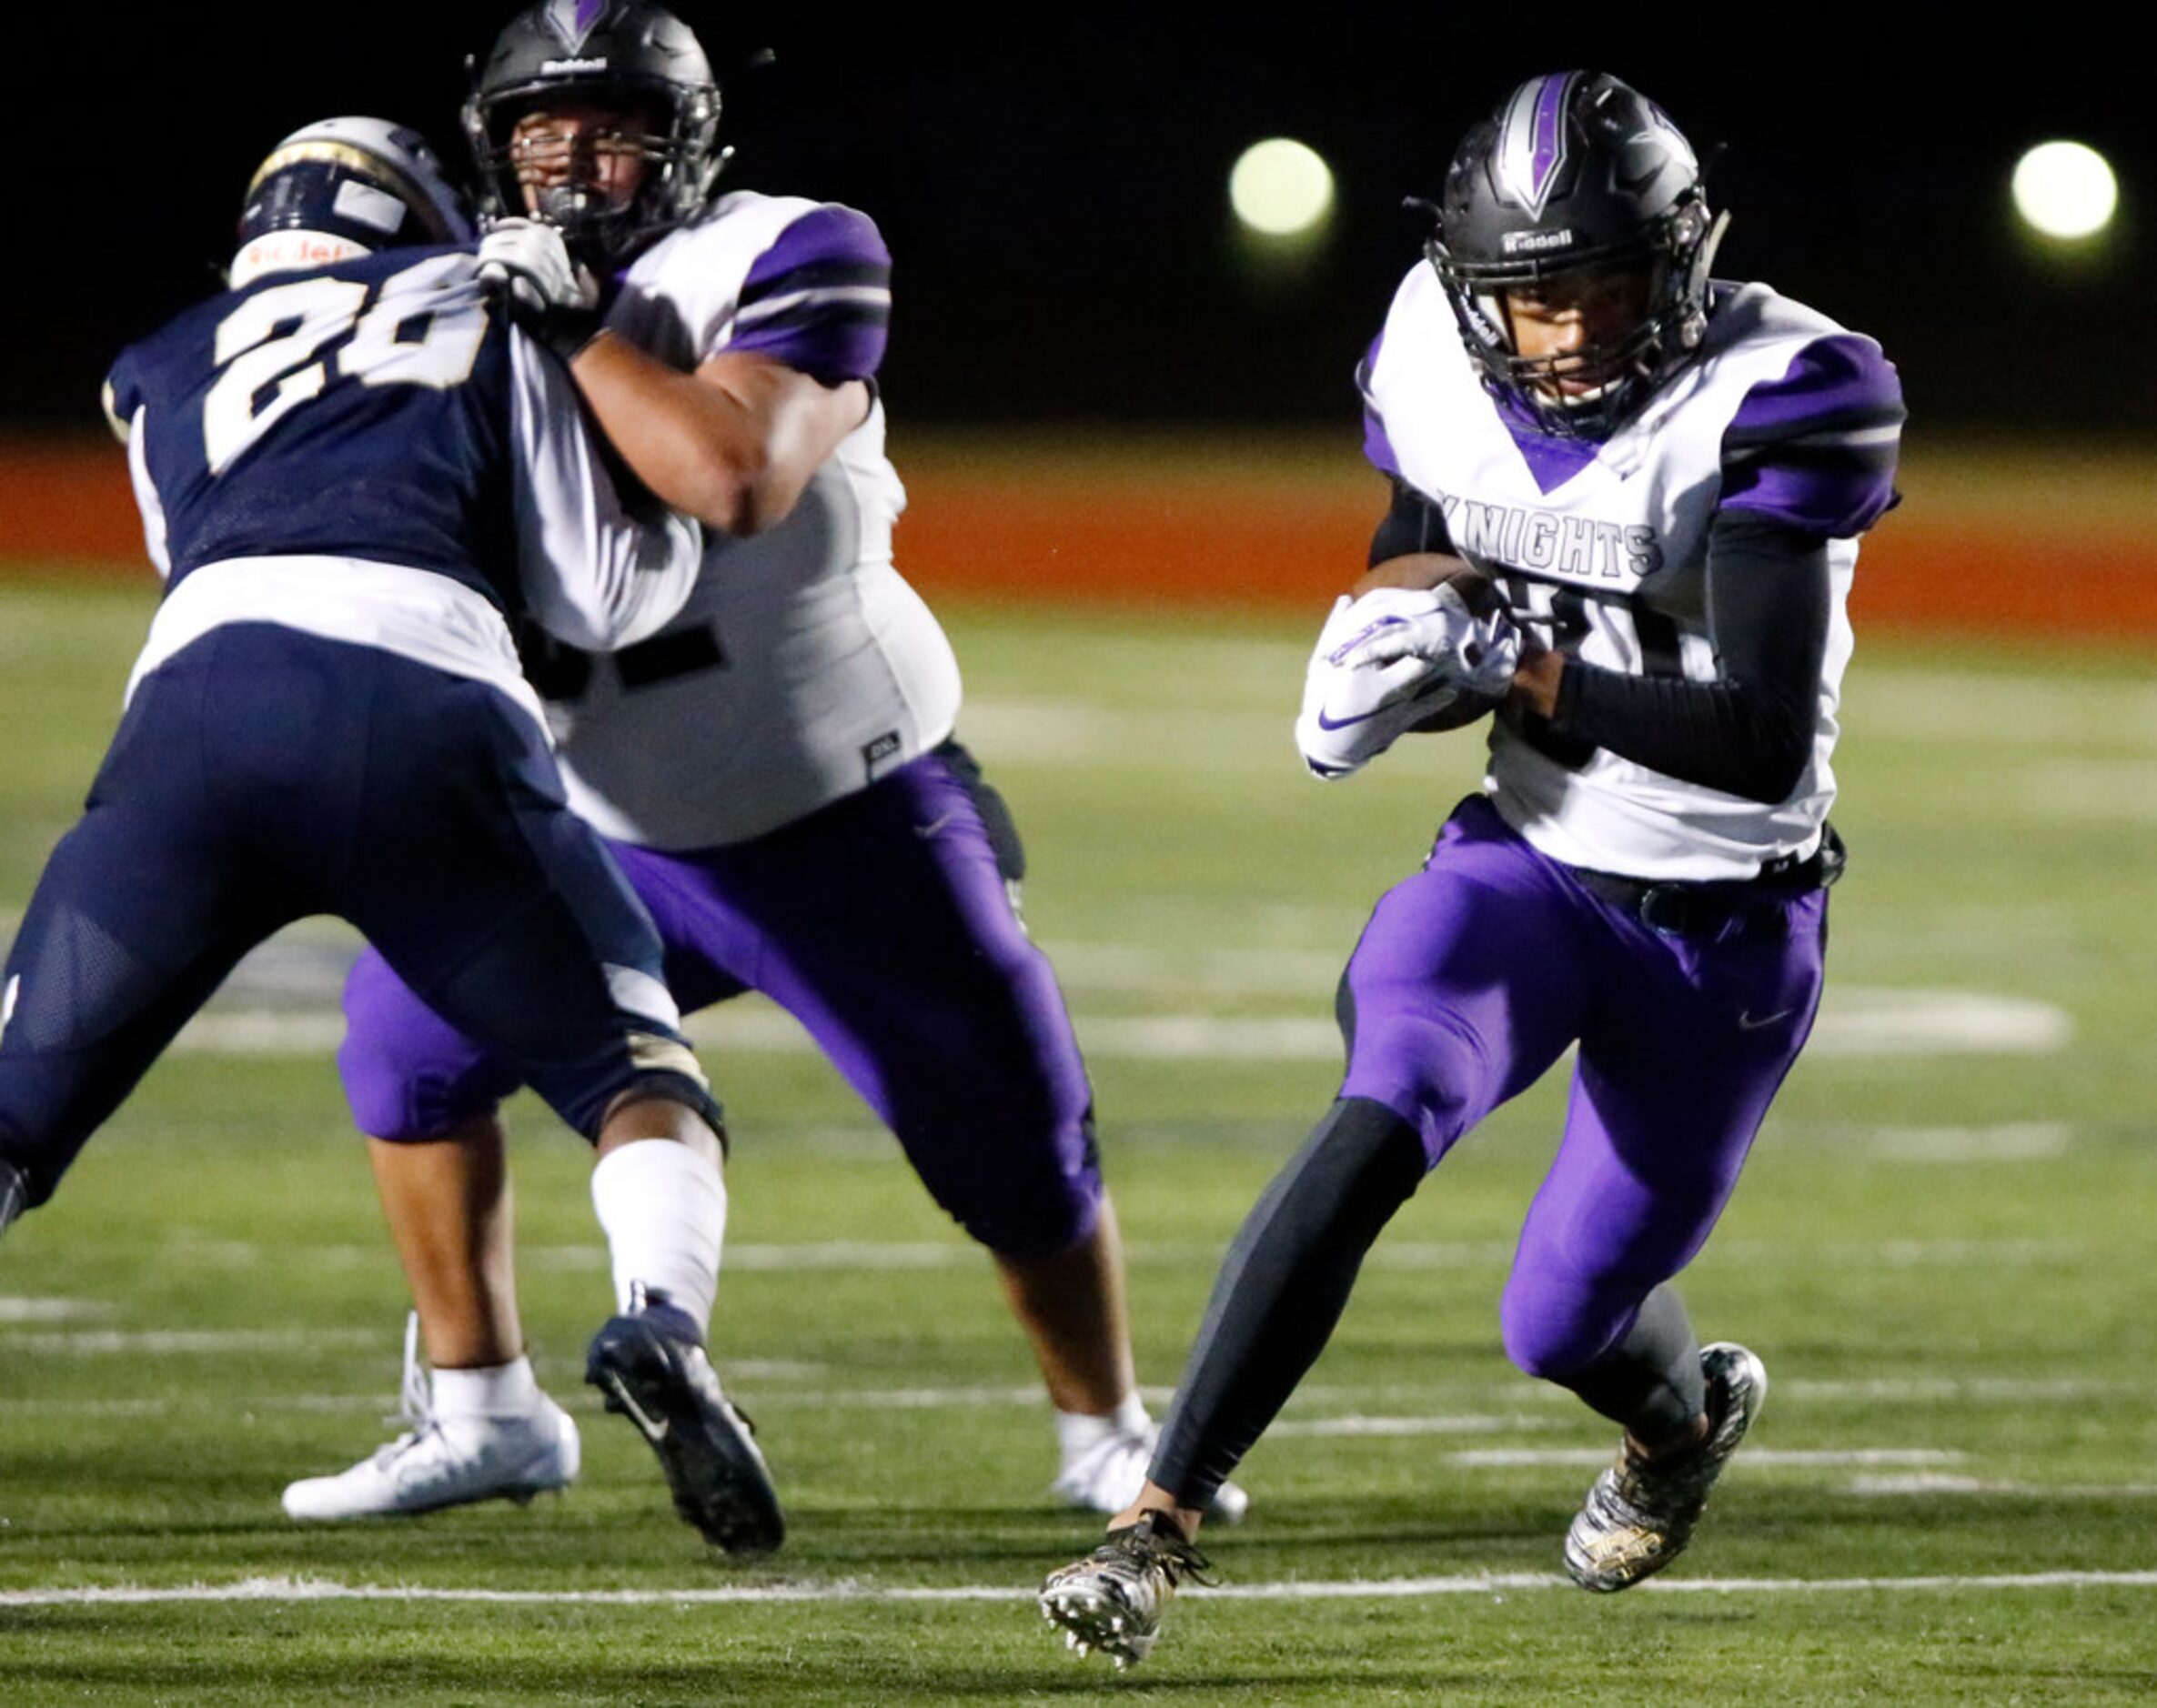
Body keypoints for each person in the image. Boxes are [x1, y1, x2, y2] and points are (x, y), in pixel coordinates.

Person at [291, 0, 1245, 1543]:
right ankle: (478, 1408)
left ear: (690, 145)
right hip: (587, 809)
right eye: (548, 136)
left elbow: (733, 477)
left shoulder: (793, 246)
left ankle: (1102, 1428)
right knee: (403, 1045)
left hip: (831, 800)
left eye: (621, 133)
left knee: (1008, 1128)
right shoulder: (451, 293)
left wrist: (574, 329)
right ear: (495, 152)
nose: (583, 169)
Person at [1039, 69, 1905, 1666]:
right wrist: (1388, 646)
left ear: (1683, 263)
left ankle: (1677, 1423)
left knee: (1559, 1320)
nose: (1565, 331)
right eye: (1529, 298)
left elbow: (1761, 734)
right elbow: (1425, 540)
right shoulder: (1437, 353)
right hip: (1528, 866)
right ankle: (1153, 1519)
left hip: (1725, 924)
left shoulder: (1790, 387)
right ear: (1470, 291)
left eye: (1602, 287)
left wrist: (1518, 667)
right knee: (1385, 1104)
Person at [0, 117, 786, 1541]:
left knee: (14, 1107)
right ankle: (661, 1319)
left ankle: (490, 1408)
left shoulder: (166, 357)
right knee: (631, 1069)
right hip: (427, 707)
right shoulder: (489, 302)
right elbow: (605, 592)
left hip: (191, 724)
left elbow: (195, 559)